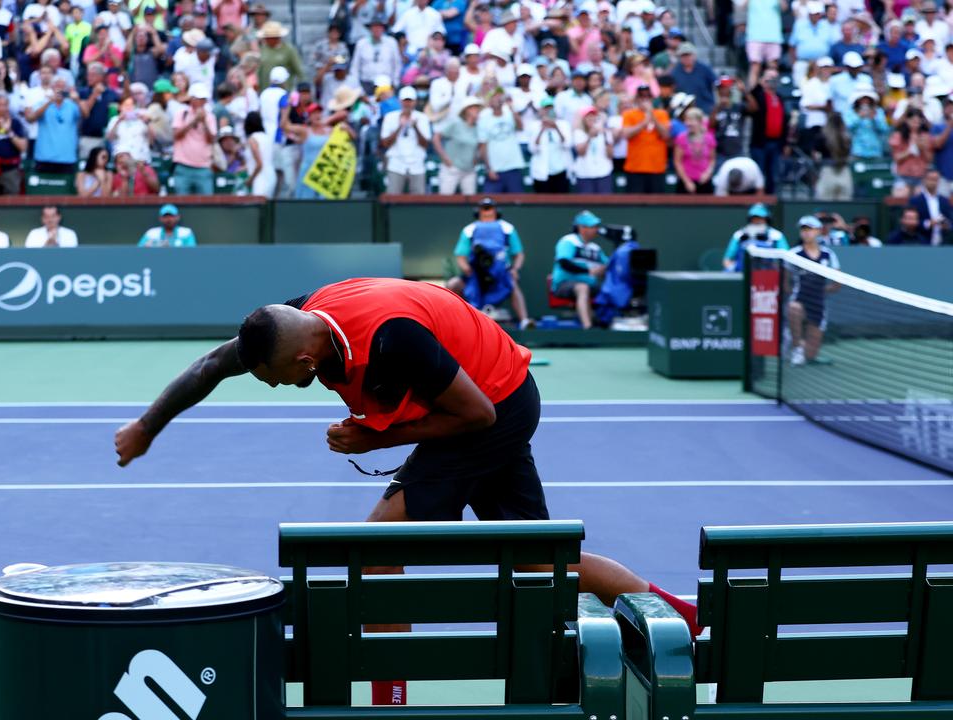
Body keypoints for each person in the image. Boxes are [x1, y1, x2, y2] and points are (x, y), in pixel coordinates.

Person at [111, 281, 706, 706]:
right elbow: (212, 365)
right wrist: (147, 425)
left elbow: (474, 416)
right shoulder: (300, 318)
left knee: (376, 553)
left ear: (304, 356)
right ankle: (685, 617)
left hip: (493, 408)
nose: (273, 386)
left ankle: (390, 698)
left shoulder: (392, 341)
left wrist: (377, 439)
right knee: (541, 558)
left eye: (274, 378)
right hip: (496, 388)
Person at [446, 197, 531, 329]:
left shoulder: (507, 228)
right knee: (453, 284)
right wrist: (467, 269)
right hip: (475, 275)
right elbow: (460, 256)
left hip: (501, 274)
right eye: (484, 208)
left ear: (496, 211)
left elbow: (519, 254)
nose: (487, 211)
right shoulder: (469, 230)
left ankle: (524, 321)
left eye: (490, 208)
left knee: (513, 284)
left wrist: (515, 269)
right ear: (478, 211)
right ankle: (451, 321)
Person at [786, 215, 840, 366]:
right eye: (803, 229)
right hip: (799, 300)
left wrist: (823, 291)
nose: (806, 233)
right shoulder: (793, 254)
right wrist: (792, 293)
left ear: (818, 231)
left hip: (818, 305)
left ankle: (800, 344)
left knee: (809, 356)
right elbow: (785, 281)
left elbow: (838, 282)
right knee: (793, 308)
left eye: (810, 229)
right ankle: (796, 345)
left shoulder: (828, 255)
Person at [551, 210, 610, 330]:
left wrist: (603, 269)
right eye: (593, 226)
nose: (596, 229)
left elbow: (608, 266)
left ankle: (604, 323)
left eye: (596, 226)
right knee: (582, 288)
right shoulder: (569, 241)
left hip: (591, 285)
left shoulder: (595, 248)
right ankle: (587, 327)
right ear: (581, 228)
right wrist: (589, 271)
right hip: (563, 285)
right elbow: (564, 263)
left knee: (610, 290)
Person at [380, 86, 432, 194]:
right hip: (396, 165)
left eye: (410, 101)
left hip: (417, 165)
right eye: (405, 101)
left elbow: (425, 144)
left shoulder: (422, 118)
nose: (407, 104)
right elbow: (385, 143)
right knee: (393, 199)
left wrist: (415, 127)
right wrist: (400, 126)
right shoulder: (390, 117)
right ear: (400, 101)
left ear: (415, 102)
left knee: (418, 201)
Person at [620, 84, 670, 193]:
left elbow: (665, 134)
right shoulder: (629, 114)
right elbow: (626, 134)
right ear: (637, 99)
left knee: (657, 205)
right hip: (635, 168)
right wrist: (644, 122)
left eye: (648, 96)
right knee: (634, 205)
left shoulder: (662, 114)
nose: (645, 100)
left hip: (657, 168)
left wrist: (651, 115)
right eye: (642, 97)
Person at [172, 83, 219, 195]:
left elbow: (212, 139)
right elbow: (176, 135)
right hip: (183, 167)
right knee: (181, 203)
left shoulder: (210, 117)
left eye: (204, 99)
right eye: (199, 99)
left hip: (203, 168)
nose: (202, 102)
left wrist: (203, 122)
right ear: (192, 99)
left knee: (206, 205)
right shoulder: (181, 114)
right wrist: (193, 121)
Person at [477, 89, 526, 193]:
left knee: (517, 203)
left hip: (513, 167)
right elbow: (482, 146)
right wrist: (488, 169)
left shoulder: (509, 113)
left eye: (499, 96)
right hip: (495, 170)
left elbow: (520, 127)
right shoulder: (484, 119)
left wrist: (512, 108)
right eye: (494, 96)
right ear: (489, 100)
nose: (498, 98)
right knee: (490, 203)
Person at [434, 96, 482, 195]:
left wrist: (476, 159)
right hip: (451, 169)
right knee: (445, 200)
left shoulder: (479, 128)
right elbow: (436, 138)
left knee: (471, 202)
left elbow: (480, 147)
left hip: (469, 171)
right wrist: (445, 158)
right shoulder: (456, 124)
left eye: (478, 108)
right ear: (466, 110)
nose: (477, 110)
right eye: (474, 107)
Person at [722, 203, 788, 272]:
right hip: (743, 274)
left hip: (769, 275)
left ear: (766, 219)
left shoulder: (776, 235)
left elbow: (786, 259)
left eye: (760, 218)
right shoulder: (739, 235)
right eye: (754, 218)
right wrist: (732, 269)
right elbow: (727, 260)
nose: (757, 220)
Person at [673, 107, 716, 194]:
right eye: (687, 120)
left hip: (705, 182)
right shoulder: (681, 138)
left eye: (691, 120)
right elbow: (677, 162)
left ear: (700, 122)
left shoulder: (709, 138)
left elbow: (712, 160)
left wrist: (707, 173)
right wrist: (686, 181)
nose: (688, 123)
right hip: (685, 183)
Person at [908, 168, 953, 244]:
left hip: (944, 243)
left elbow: (950, 221)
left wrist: (947, 225)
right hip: (922, 242)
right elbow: (910, 222)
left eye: (936, 179)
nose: (933, 182)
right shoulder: (915, 201)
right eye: (930, 179)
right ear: (924, 180)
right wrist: (929, 223)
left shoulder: (944, 201)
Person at [243, 110, 277, 198]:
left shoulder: (252, 139)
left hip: (260, 178)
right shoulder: (267, 137)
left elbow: (259, 164)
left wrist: (250, 180)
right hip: (271, 175)